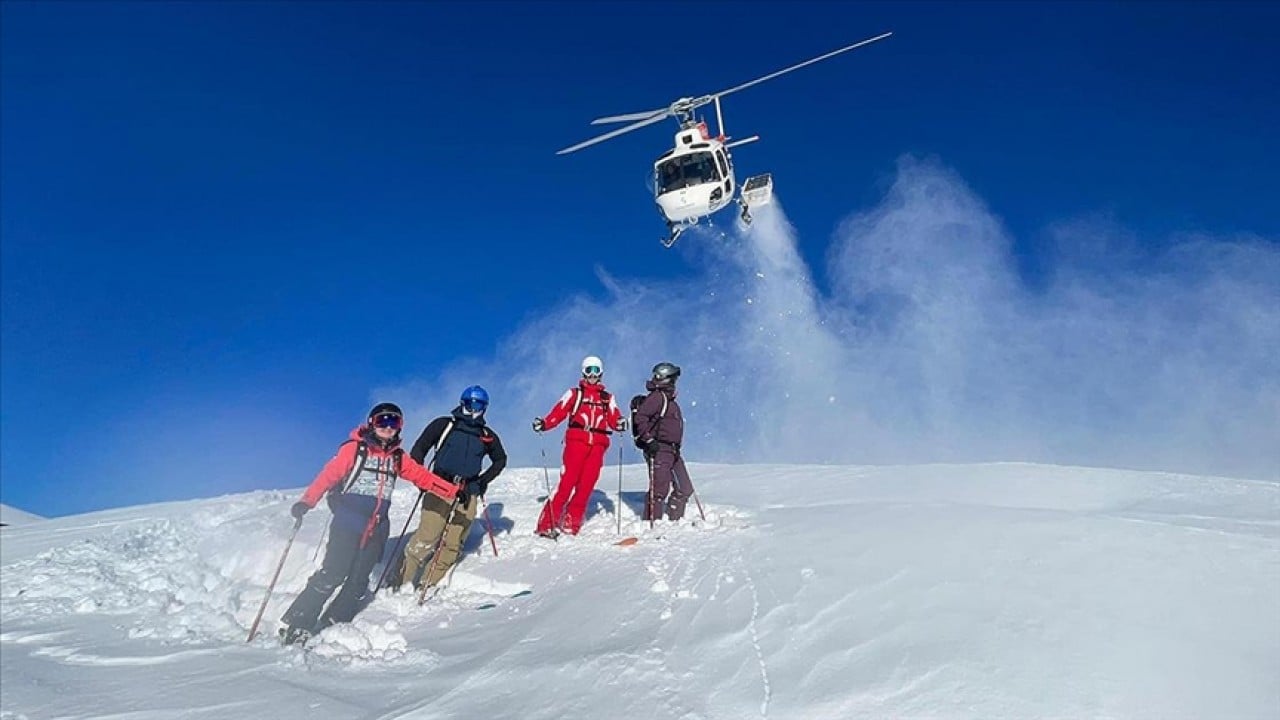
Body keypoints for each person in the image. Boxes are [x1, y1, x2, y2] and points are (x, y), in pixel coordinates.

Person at [279, 402, 456, 645]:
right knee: (333, 572)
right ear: (372, 423)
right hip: (347, 523)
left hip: (378, 527)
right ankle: (299, 622)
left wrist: (452, 492)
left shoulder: (397, 458)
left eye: (394, 422)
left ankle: (335, 621)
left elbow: (422, 477)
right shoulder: (355, 449)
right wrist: (306, 502)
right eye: (382, 421)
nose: (387, 427)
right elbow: (328, 475)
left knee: (359, 580)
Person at [397, 385, 507, 591]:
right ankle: (401, 581)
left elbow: (500, 459)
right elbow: (420, 447)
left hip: (468, 491)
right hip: (439, 485)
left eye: (479, 405)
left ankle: (427, 584)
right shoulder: (444, 424)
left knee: (453, 542)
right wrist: (421, 477)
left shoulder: (486, 435)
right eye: (469, 403)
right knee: (428, 536)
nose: (473, 409)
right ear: (462, 403)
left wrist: (482, 481)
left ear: (485, 408)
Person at [532, 355, 626, 537]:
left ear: (601, 373)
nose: (592, 374)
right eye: (589, 370)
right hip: (577, 442)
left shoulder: (607, 398)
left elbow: (614, 419)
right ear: (583, 372)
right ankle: (547, 524)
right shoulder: (575, 394)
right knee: (568, 482)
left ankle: (571, 523)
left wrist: (621, 423)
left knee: (586, 485)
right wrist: (544, 423)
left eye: (596, 370)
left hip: (598, 445)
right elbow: (558, 412)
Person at [632, 362, 693, 522]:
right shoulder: (658, 397)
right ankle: (652, 523)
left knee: (685, 488)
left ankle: (674, 520)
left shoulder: (670, 401)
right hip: (659, 449)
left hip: (673, 451)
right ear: (668, 379)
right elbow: (641, 418)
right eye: (674, 378)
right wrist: (649, 440)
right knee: (659, 490)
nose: (675, 382)